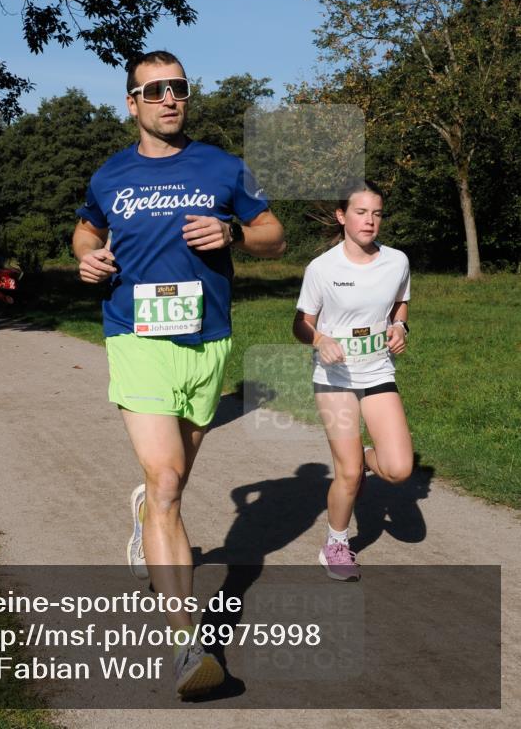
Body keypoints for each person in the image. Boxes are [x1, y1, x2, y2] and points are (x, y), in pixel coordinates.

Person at [73, 50, 286, 698]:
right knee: (168, 482)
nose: (170, 99)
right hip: (135, 337)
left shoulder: (222, 166)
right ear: (132, 104)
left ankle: (146, 517)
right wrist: (89, 259)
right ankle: (184, 644)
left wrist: (234, 235)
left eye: (179, 88)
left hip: (206, 341)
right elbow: (84, 231)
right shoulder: (111, 174)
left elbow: (273, 235)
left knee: (170, 484)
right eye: (154, 90)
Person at [292, 181, 413, 582]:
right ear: (342, 216)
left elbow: (400, 303)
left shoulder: (396, 261)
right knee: (347, 472)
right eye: (361, 212)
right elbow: (300, 323)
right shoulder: (322, 268)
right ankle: (336, 545)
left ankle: (360, 455)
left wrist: (400, 326)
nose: (370, 221)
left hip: (378, 370)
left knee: (398, 469)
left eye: (377, 214)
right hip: (335, 377)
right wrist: (320, 339)